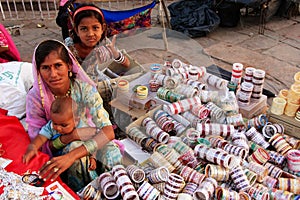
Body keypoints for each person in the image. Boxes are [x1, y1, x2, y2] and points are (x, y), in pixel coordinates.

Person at [25, 39, 123, 192]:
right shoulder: (36, 98)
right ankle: (87, 193)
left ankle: (118, 189)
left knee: (112, 152)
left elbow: (108, 131)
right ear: (39, 71)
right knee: (76, 157)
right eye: (45, 68)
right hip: (61, 148)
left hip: (91, 136)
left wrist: (78, 145)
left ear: (69, 65)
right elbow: (41, 142)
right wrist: (70, 138)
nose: (53, 74)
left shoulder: (85, 89)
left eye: (58, 65)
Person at [22, 96, 96, 172]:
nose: (58, 128)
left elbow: (92, 144)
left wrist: (92, 158)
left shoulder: (83, 128)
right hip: (58, 161)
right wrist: (33, 146)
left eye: (63, 125)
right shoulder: (51, 126)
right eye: (55, 123)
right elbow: (41, 137)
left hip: (79, 163)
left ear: (76, 120)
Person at [65, 3, 131, 83]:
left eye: (95, 28)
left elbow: (127, 64)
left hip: (96, 81)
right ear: (76, 31)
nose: (90, 34)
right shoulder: (68, 48)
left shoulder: (105, 43)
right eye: (84, 29)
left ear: (102, 28)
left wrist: (115, 53)